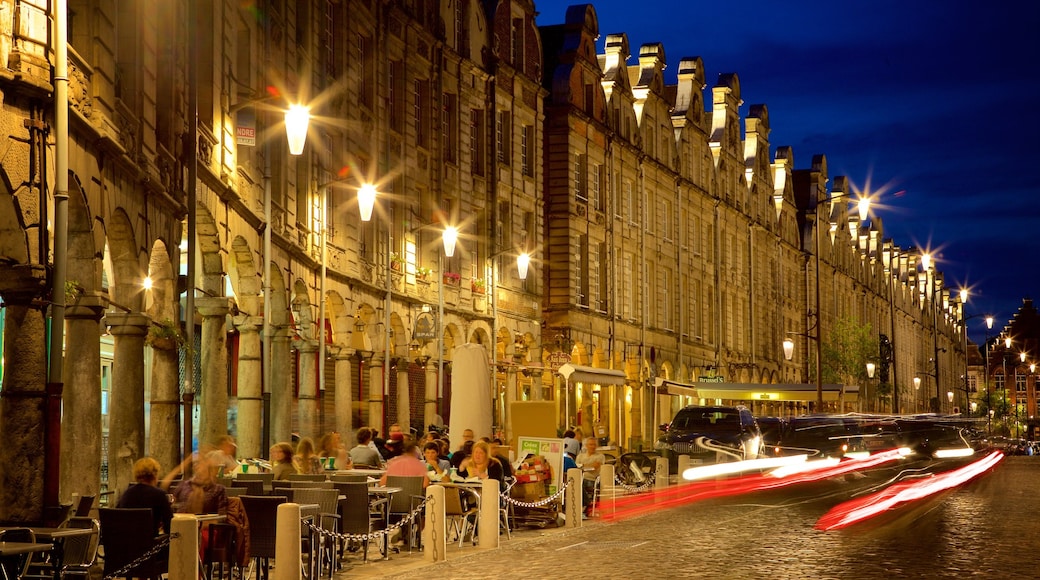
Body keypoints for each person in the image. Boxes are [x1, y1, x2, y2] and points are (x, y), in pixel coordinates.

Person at [117, 457, 174, 535]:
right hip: (150, 544)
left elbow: (117, 517)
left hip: (126, 543)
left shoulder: (127, 493)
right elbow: (169, 526)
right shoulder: (159, 494)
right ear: (155, 475)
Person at [576, 437, 605, 515]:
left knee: (579, 484)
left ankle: (585, 504)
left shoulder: (600, 456)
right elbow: (576, 466)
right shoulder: (580, 456)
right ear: (586, 445)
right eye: (590, 444)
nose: (592, 446)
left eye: (594, 445)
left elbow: (595, 467)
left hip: (592, 479)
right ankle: (586, 503)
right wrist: (587, 466)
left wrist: (583, 466)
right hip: (580, 477)